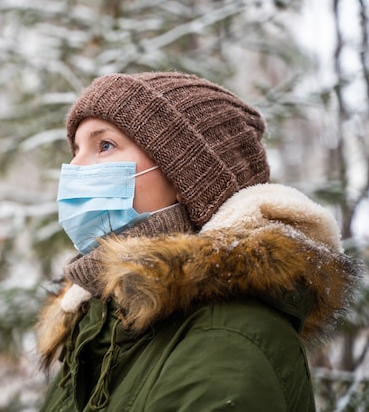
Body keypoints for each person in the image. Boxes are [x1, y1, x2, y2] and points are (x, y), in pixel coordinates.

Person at [36, 71, 365, 412]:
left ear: (186, 179)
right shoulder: (97, 323)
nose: (74, 167)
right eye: (76, 149)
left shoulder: (227, 338)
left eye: (104, 145)